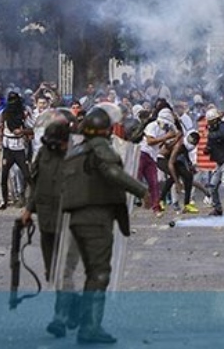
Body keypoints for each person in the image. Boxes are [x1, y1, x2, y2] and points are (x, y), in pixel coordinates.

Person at [58, 108, 147, 343]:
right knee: (99, 274)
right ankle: (90, 328)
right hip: (96, 219)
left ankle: (81, 315)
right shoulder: (100, 148)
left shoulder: (75, 151)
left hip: (75, 219)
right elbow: (112, 173)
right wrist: (141, 190)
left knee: (89, 273)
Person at [20, 109, 83, 338]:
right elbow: (37, 184)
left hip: (71, 222)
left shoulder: (82, 155)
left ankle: (60, 317)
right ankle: (75, 305)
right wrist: (28, 209)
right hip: (47, 221)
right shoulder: (45, 153)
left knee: (62, 272)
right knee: (52, 272)